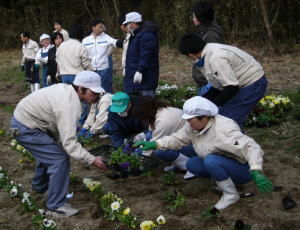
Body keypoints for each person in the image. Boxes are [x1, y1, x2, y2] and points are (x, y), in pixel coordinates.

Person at [134, 96, 273, 211]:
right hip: (222, 161)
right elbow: (178, 138)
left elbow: (251, 147)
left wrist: (256, 170)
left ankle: (231, 195)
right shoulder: (193, 127)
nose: (188, 122)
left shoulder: (224, 130)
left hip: (243, 169)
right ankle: (223, 181)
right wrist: (157, 144)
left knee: (211, 161)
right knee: (192, 164)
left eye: (190, 119)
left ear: (204, 117)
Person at [9, 71, 107, 217]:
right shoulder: (69, 104)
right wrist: (93, 160)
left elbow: (58, 130)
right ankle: (56, 206)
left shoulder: (67, 91)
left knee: (52, 151)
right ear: (80, 89)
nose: (96, 96)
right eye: (93, 92)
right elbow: (70, 144)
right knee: (59, 159)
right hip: (26, 126)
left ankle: (39, 187)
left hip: (28, 122)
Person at [179, 33, 268, 127]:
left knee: (228, 121)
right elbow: (218, 86)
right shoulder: (209, 51)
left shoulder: (215, 58)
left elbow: (231, 88)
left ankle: (235, 141)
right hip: (240, 83)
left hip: (253, 83)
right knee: (223, 117)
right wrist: (201, 101)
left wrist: (210, 107)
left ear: (189, 54)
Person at [131, 96, 196, 179]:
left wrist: (139, 160)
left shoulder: (163, 121)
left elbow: (153, 145)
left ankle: (190, 166)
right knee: (150, 135)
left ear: (145, 112)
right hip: (182, 138)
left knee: (160, 151)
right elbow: (151, 134)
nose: (141, 119)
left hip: (193, 144)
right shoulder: (159, 111)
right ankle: (178, 163)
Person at [123, 12, 159, 97]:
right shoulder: (135, 35)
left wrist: (140, 71)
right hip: (133, 81)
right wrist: (127, 68)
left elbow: (146, 56)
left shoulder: (146, 35)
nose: (126, 26)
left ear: (133, 23)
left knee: (145, 106)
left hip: (144, 81)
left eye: (127, 24)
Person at [191, 1, 223, 96]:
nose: (193, 19)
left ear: (200, 18)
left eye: (194, 16)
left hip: (208, 83)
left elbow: (214, 60)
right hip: (204, 81)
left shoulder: (210, 35)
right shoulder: (203, 31)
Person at [82, 19, 121, 93]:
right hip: (91, 70)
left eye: (102, 26)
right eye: (99, 27)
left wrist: (125, 42)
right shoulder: (86, 40)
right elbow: (83, 56)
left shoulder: (106, 37)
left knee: (105, 90)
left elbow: (115, 42)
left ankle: (107, 103)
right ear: (93, 27)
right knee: (93, 91)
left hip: (104, 70)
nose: (102, 28)